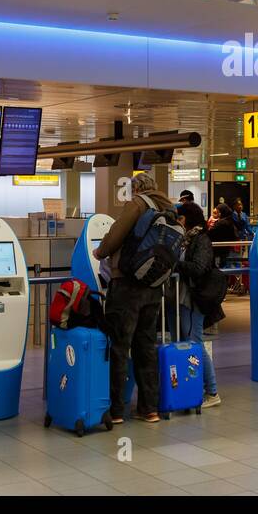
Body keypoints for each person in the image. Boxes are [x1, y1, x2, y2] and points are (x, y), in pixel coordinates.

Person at [92, 172, 172, 425]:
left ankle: (116, 410)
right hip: (153, 286)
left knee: (119, 346)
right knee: (146, 346)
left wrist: (100, 250)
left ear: (136, 188)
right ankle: (149, 409)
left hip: (127, 285)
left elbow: (115, 235)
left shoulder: (137, 204)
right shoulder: (166, 207)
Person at [174, 205, 222, 408]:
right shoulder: (188, 238)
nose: (177, 221)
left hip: (195, 299)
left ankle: (212, 391)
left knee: (195, 342)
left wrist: (175, 264)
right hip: (186, 298)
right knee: (190, 341)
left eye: (179, 218)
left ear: (186, 219)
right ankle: (195, 386)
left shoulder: (201, 239)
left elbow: (199, 268)